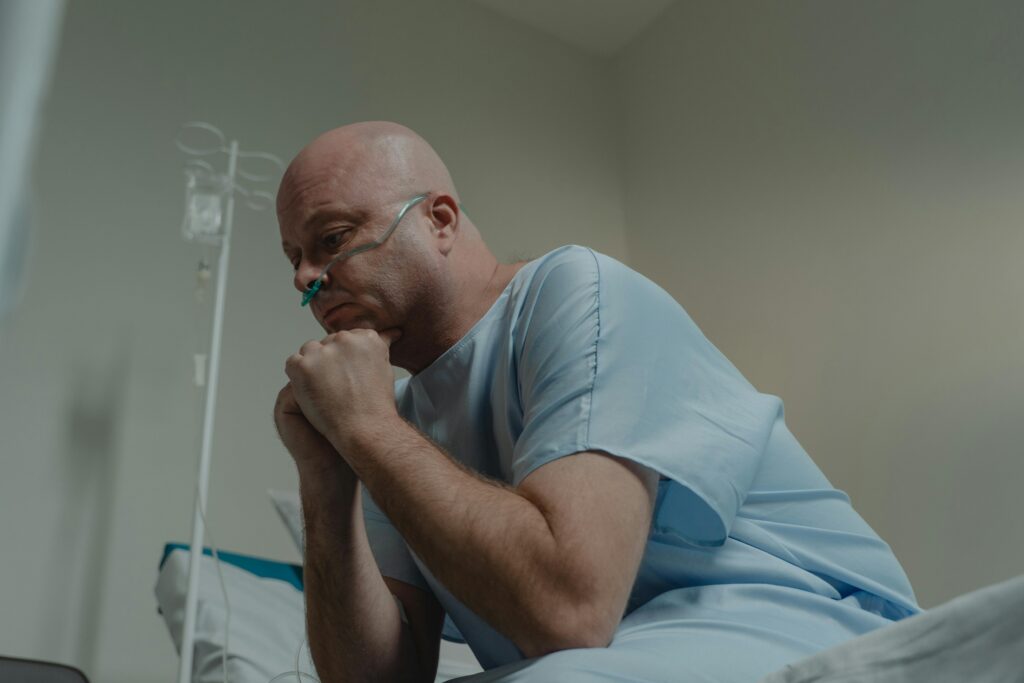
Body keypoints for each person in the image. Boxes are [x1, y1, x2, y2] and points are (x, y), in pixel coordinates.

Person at [273, 121, 919, 683]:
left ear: (438, 220)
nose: (305, 278)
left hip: (812, 618)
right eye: (294, 258)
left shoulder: (573, 288)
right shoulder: (388, 418)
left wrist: (368, 430)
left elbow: (568, 609)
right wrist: (326, 475)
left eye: (332, 238)